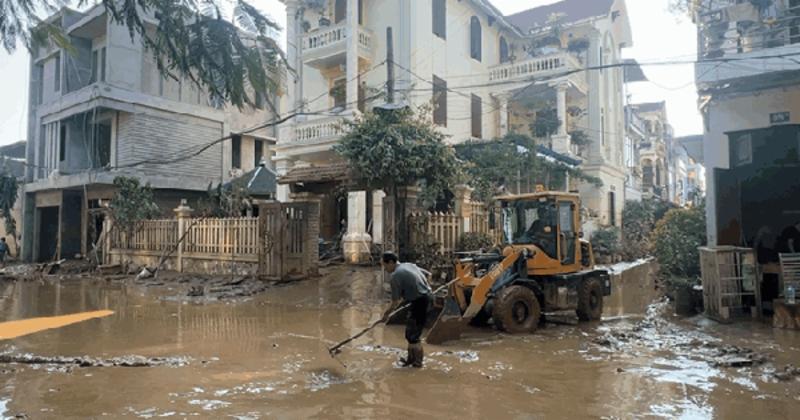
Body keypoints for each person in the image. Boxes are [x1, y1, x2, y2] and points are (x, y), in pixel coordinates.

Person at [381, 252, 432, 368]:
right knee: (410, 332)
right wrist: (424, 288)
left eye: (385, 266)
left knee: (414, 336)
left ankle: (418, 363)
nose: (385, 269)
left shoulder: (395, 276)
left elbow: (395, 301)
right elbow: (429, 274)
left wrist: (386, 315)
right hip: (425, 298)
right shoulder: (409, 265)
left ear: (391, 262)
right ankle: (410, 359)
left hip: (420, 302)